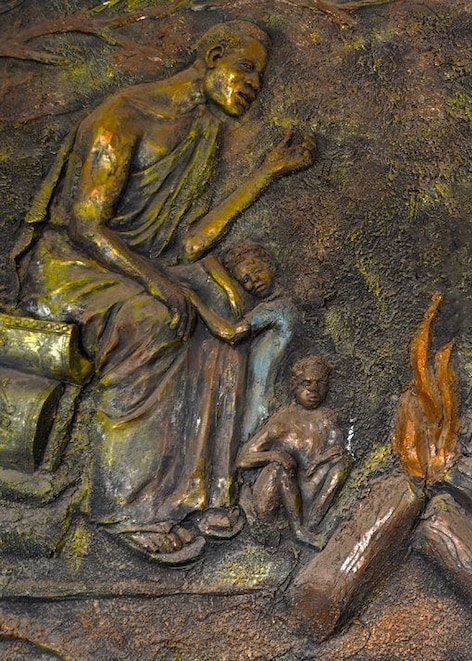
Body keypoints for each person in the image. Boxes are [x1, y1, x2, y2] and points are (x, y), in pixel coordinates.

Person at [15, 20, 315, 564]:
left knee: (224, 307)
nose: (253, 85)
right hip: (70, 268)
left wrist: (267, 174)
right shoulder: (124, 115)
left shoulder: (202, 133)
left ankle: (204, 493)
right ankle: (125, 504)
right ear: (213, 55)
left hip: (139, 268)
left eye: (260, 77)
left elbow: (189, 242)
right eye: (246, 68)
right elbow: (86, 224)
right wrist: (157, 282)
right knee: (152, 321)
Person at [190, 242, 301, 440]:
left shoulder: (277, 307)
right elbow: (208, 260)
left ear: (270, 266)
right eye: (245, 279)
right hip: (259, 397)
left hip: (263, 401)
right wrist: (229, 288)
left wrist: (195, 301)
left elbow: (230, 333)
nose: (254, 281)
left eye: (257, 271)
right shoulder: (274, 305)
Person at [238, 356, 350, 549]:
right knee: (278, 468)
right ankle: (297, 531)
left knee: (342, 464)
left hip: (307, 490)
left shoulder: (329, 419)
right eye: (306, 383)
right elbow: (243, 459)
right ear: (294, 385)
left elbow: (325, 458)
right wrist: (274, 455)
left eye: (320, 383)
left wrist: (327, 458)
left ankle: (311, 525)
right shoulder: (283, 420)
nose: (313, 390)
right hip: (274, 495)